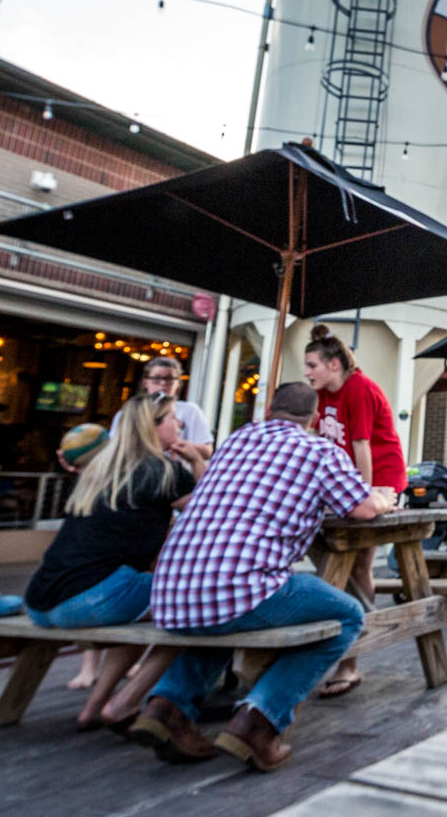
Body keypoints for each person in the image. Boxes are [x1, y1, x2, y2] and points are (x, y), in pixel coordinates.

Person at [128, 382, 397, 769]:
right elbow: (364, 508)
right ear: (314, 418)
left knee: (227, 614)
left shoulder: (236, 442)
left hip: (171, 588)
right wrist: (385, 497)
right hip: (237, 585)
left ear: (269, 410)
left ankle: (166, 706)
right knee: (347, 615)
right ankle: (258, 720)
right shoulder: (319, 450)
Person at [24, 392, 206, 730]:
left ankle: (95, 708)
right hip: (89, 600)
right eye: (172, 418)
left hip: (41, 599)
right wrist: (196, 461)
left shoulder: (100, 469)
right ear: (153, 426)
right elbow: (212, 513)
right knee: (197, 606)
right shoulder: (163, 471)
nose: (180, 423)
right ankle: (126, 702)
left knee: (138, 604)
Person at [67, 354, 216, 690]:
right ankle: (93, 667)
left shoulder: (188, 413)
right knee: (136, 580)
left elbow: (206, 450)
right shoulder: (130, 417)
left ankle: (130, 658)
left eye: (170, 378)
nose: (164, 383)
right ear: (145, 381)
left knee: (148, 577)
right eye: (157, 378)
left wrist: (185, 449)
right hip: (137, 504)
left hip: (165, 505)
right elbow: (112, 450)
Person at [301, 324, 407, 698]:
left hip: (378, 480)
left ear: (333, 365)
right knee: (332, 556)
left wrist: (361, 497)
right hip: (346, 484)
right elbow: (318, 440)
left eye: (312, 365)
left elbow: (362, 446)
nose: (307, 372)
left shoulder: (359, 389)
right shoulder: (322, 395)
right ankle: (346, 639)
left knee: (358, 563)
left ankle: (351, 660)